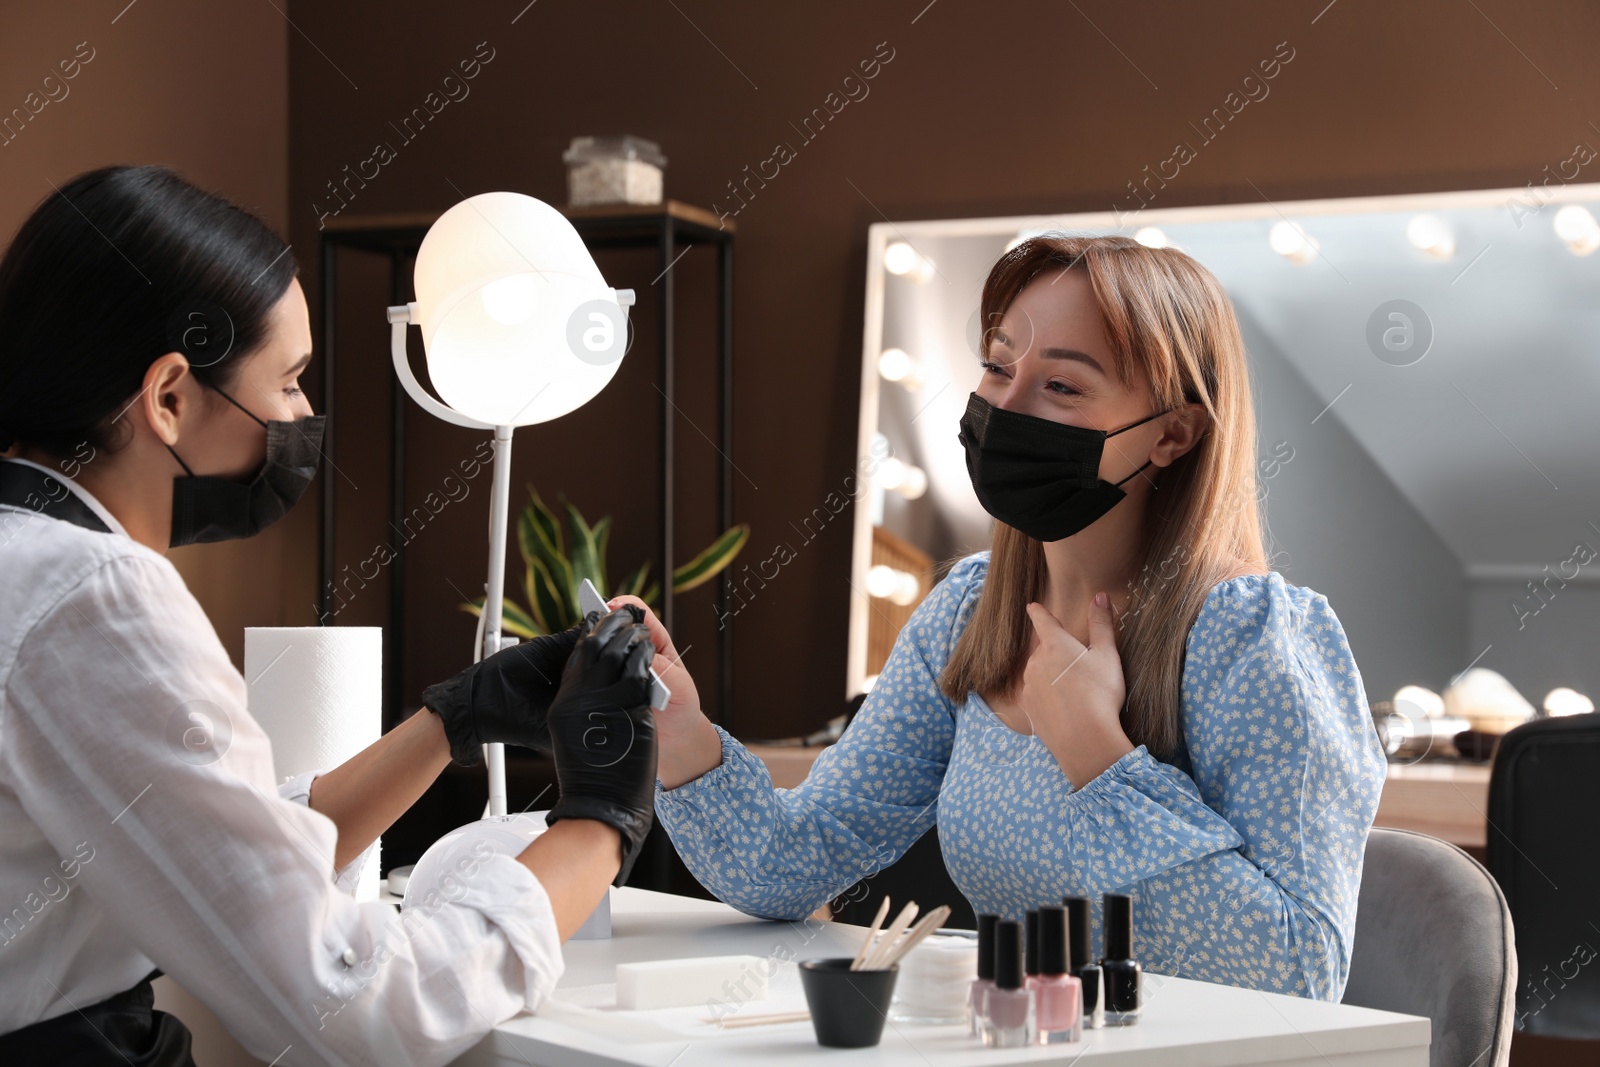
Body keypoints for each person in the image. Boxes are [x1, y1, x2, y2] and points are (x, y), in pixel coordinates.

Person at [0, 165, 659, 1066]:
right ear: (169, 397)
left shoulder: (24, 560)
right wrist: (598, 821)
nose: (305, 416)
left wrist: (451, 717)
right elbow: (360, 1007)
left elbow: (220, 849)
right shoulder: (94, 593)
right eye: (290, 381)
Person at [613, 235, 1387, 1002]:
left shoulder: (1253, 636)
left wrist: (1097, 755)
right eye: (997, 365)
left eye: (1063, 387)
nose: (1005, 407)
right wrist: (685, 739)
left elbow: (1298, 971)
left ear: (1172, 433)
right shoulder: (967, 614)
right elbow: (791, 864)